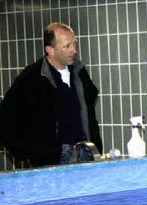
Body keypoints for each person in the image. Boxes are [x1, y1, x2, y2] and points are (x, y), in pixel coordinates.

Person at [0, 22, 102, 167]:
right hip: (50, 161)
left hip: (84, 156)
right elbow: (5, 118)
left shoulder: (80, 73)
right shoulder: (32, 78)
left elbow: (90, 115)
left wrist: (96, 147)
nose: (74, 50)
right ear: (50, 50)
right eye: (67, 46)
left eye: (74, 44)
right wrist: (29, 152)